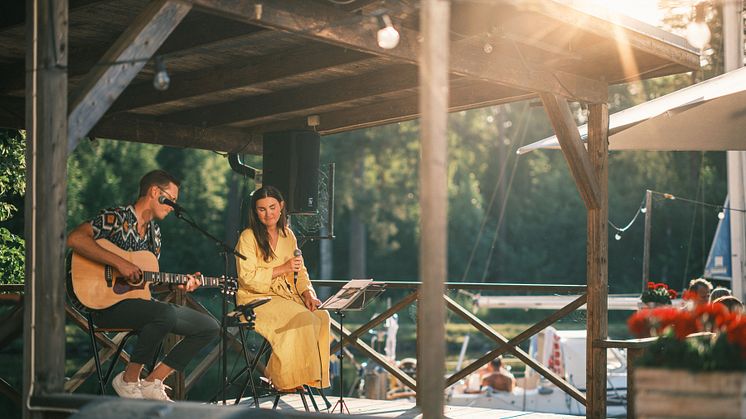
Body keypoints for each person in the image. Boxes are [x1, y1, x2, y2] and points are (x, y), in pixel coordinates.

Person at [66, 170, 220, 401]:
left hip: (140, 306)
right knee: (163, 313)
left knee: (208, 326)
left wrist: (176, 287)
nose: (172, 207)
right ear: (155, 192)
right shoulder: (115, 217)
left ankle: (152, 381)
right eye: (171, 200)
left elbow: (143, 284)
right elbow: (75, 239)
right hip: (102, 306)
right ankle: (128, 380)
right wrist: (120, 263)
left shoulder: (154, 235)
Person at [235, 185, 330, 391]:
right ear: (255, 211)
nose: (268, 214)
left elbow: (301, 270)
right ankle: (285, 380)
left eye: (272, 207)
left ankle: (303, 376)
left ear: (281, 207)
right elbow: (247, 278)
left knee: (321, 316)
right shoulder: (248, 237)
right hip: (254, 299)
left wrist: (308, 294)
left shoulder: (289, 235)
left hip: (285, 296)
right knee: (300, 317)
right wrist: (282, 268)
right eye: (262, 209)